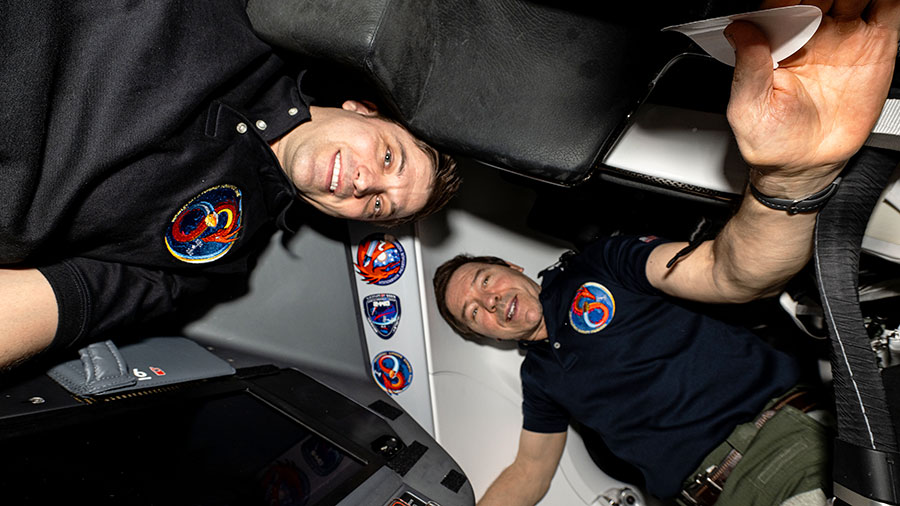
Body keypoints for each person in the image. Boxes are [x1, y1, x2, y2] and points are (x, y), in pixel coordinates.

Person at [432, 0, 900, 504]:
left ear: (513, 267)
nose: (490, 304)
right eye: (472, 314)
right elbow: (529, 472)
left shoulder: (599, 265)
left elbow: (725, 275)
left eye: (484, 283)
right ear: (484, 335)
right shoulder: (541, 379)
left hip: (774, 447)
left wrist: (790, 180)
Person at [0, 1, 459, 372]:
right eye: (387, 157)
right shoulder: (255, 23)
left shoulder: (218, 261)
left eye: (379, 205)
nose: (365, 184)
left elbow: (62, 300)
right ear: (362, 108)